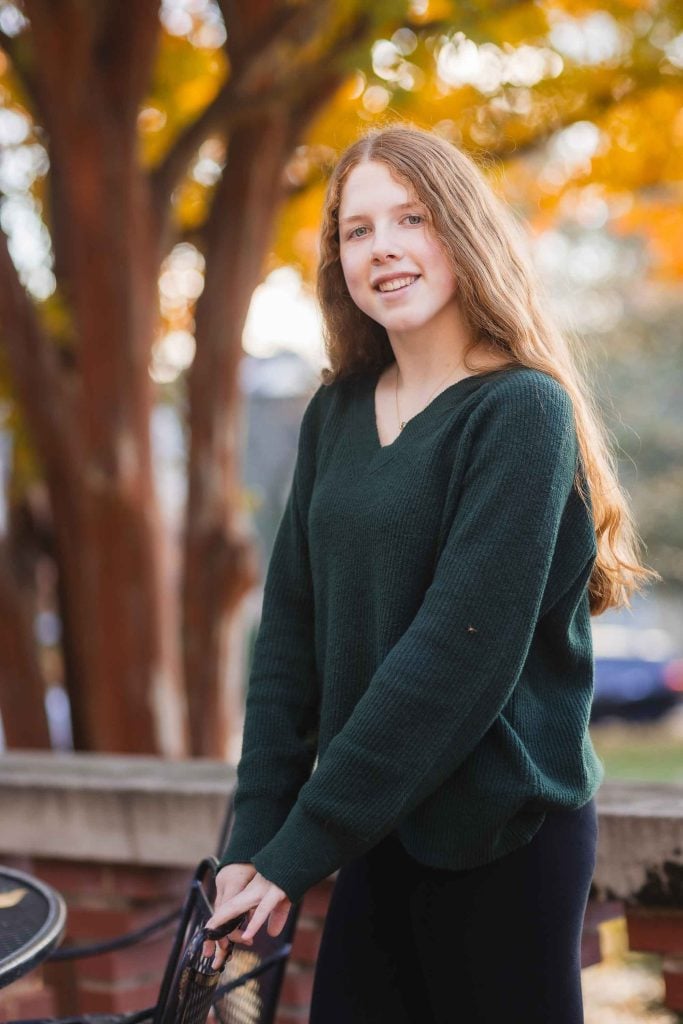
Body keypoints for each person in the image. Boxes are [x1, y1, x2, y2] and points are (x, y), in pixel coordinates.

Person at [204, 124, 658, 1023]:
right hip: (379, 822)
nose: (384, 248)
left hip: (502, 837)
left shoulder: (520, 413)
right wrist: (252, 840)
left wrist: (302, 847)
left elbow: (454, 660)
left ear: (460, 231)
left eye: (411, 218)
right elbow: (289, 641)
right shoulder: (334, 412)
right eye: (357, 229)